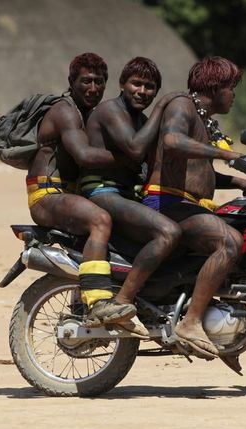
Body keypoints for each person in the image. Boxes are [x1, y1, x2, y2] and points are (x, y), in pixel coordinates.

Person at [141, 56, 246, 358]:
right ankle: (190, 324)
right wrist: (224, 154)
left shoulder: (202, 119)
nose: (234, 95)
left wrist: (243, 183)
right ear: (216, 87)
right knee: (230, 242)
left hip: (185, 203)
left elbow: (198, 173)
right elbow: (173, 141)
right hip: (166, 201)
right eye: (231, 87)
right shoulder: (182, 105)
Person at [27, 52, 137, 328]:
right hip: (47, 195)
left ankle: (83, 303)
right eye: (86, 81)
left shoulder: (90, 114)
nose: (93, 88)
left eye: (99, 82)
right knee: (100, 220)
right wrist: (132, 159)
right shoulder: (66, 111)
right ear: (71, 81)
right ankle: (98, 301)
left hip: (72, 196)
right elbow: (84, 156)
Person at [84, 57, 185, 314]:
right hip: (101, 191)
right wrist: (162, 105)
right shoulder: (109, 111)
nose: (142, 91)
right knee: (168, 232)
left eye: (150, 87)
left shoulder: (140, 120)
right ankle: (123, 300)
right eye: (136, 84)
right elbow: (135, 148)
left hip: (127, 195)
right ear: (122, 84)